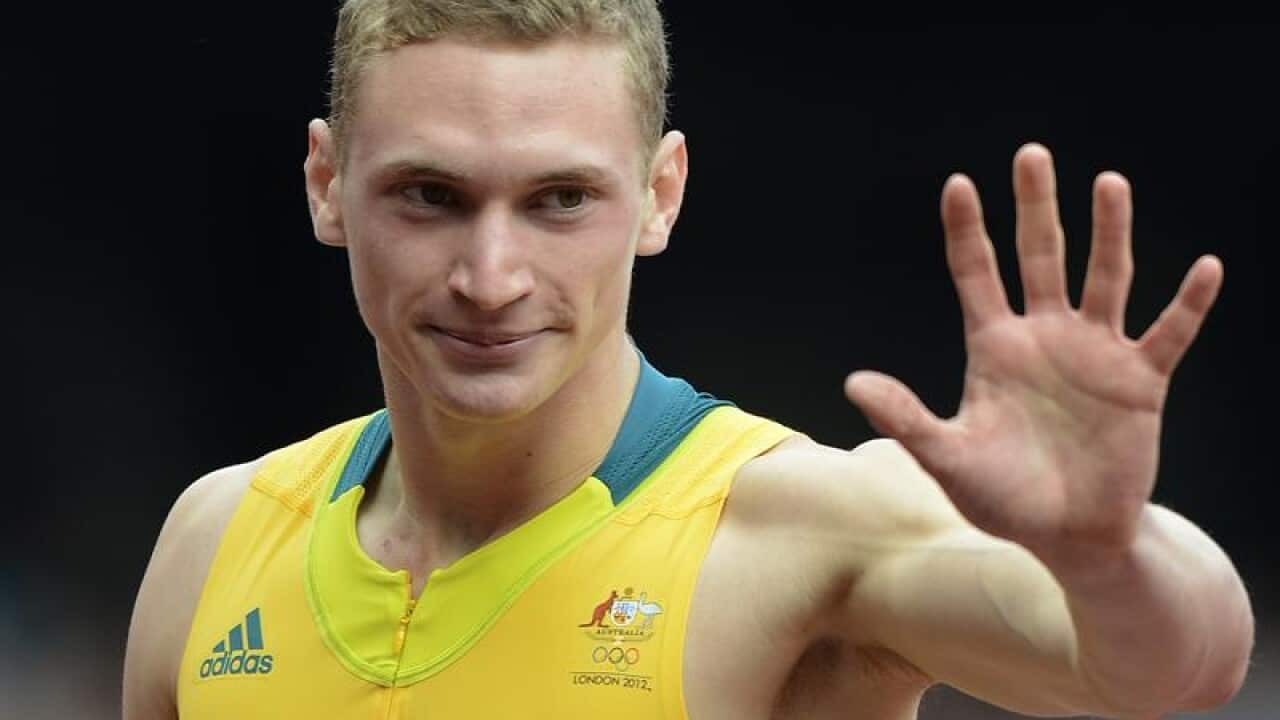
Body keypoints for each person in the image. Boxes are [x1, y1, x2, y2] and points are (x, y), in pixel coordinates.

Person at [121, 2, 1255, 718]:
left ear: (660, 193)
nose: (490, 275)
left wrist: (1104, 557)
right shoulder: (215, 543)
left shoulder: (793, 532)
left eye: (561, 199)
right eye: (430, 195)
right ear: (327, 184)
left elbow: (1174, 672)